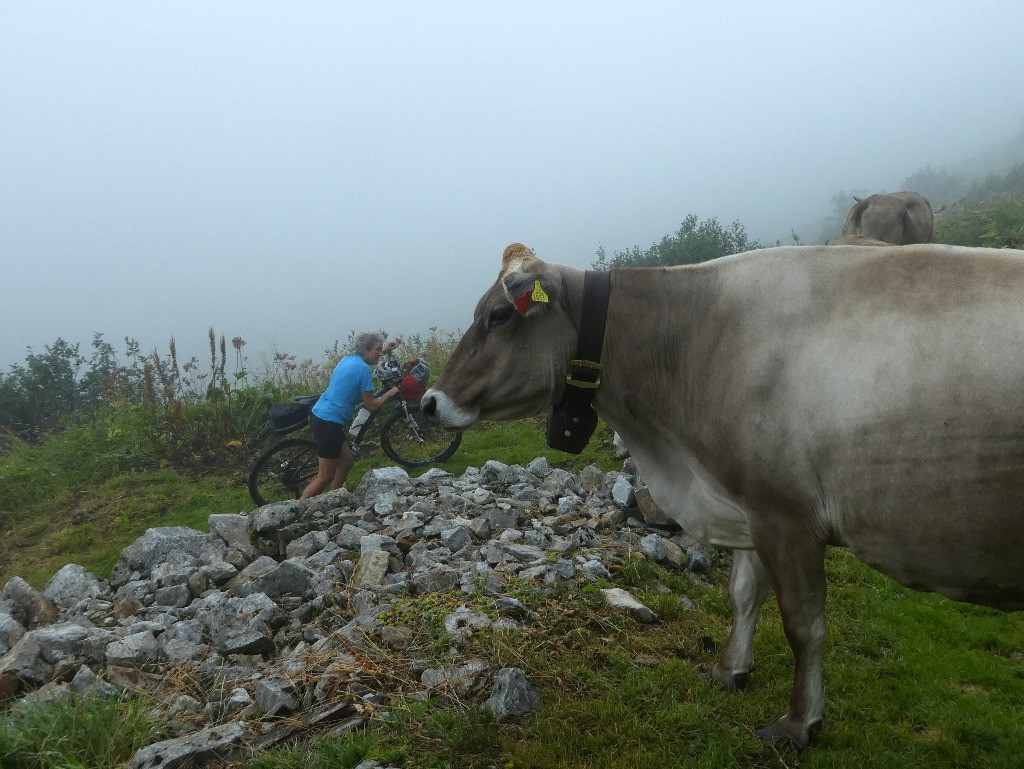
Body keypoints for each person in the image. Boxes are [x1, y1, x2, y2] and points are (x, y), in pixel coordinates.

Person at [300, 332, 402, 499]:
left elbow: (369, 354)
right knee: (325, 477)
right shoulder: (363, 370)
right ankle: (296, 511)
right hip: (328, 423)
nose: (379, 353)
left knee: (346, 462)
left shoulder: (349, 359)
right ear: (366, 349)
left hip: (321, 414)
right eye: (377, 350)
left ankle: (333, 498)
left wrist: (385, 349)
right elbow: (371, 406)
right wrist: (390, 394)